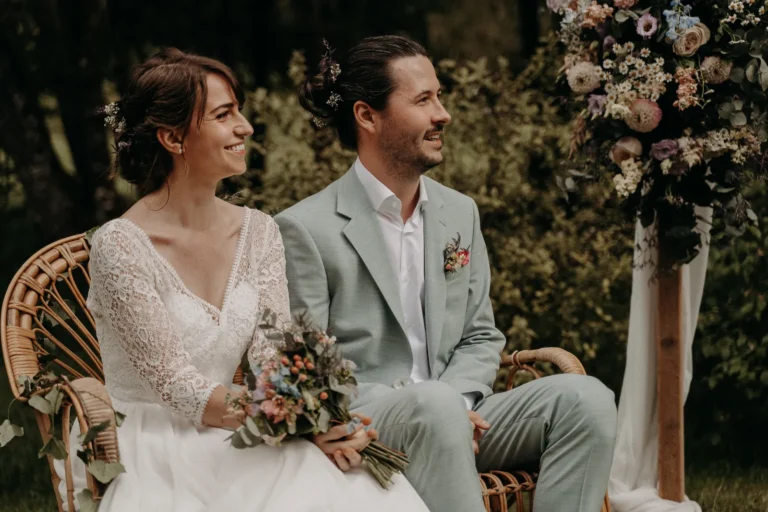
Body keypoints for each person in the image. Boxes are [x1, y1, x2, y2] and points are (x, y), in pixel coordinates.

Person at [276, 35, 618, 512]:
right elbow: (304, 369)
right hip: (373, 420)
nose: (443, 113)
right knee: (433, 405)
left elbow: (480, 336)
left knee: (588, 400)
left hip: (460, 409)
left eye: (439, 95)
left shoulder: (460, 213)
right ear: (367, 116)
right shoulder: (305, 227)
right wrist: (435, 406)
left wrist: (457, 406)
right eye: (423, 100)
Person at [84, 48, 429, 512]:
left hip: (246, 429)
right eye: (224, 115)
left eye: (238, 111)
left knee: (358, 488)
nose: (244, 127)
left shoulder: (259, 231)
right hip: (161, 444)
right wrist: (296, 423)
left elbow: (275, 355)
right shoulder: (120, 247)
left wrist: (318, 417)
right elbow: (177, 385)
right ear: (172, 136)